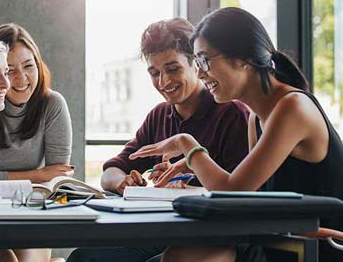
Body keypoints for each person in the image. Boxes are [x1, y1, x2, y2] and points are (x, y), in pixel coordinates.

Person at [130, 7, 343, 262]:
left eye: (205, 60)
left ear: (243, 58)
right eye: (197, 63)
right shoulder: (257, 117)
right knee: (179, 254)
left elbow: (231, 192)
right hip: (281, 242)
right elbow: (245, 198)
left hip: (317, 248)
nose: (199, 73)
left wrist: (187, 145)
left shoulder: (292, 108)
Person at [67, 17, 250, 262]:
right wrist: (123, 183)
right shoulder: (159, 115)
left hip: (211, 238)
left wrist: (187, 186)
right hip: (163, 233)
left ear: (196, 64)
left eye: (173, 69)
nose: (163, 82)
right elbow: (111, 171)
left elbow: (239, 195)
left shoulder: (231, 114)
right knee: (85, 258)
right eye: (155, 73)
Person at [0, 23, 73, 262]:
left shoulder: (52, 104)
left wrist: (40, 178)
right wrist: (37, 175)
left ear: (38, 64)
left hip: (31, 213)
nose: (21, 79)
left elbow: (57, 179)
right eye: (9, 70)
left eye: (28, 66)